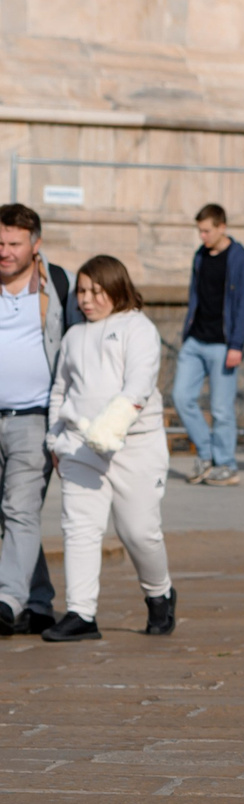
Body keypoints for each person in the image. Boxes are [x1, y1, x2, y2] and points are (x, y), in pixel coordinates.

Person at [42, 257, 173, 642]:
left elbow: (139, 385)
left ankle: (159, 592)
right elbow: (60, 391)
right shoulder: (73, 337)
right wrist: (55, 439)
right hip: (81, 448)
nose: (86, 300)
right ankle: (81, 613)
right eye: (81, 291)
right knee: (79, 528)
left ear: (117, 289)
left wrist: (108, 429)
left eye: (96, 292)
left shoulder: (138, 328)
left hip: (136, 445)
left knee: (139, 532)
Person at [0, 206, 79, 635]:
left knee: (20, 508)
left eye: (14, 243)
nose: (5, 252)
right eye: (0, 243)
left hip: (33, 420)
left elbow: (81, 352)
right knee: (8, 515)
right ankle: (39, 601)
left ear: (35, 244)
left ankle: (7, 599)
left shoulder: (58, 287)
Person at [175, 204, 244, 486]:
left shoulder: (238, 258)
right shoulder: (201, 256)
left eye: (207, 230)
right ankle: (207, 455)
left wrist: (237, 344)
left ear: (222, 227)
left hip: (223, 344)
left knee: (221, 409)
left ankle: (226, 465)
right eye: (200, 231)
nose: (203, 236)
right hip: (195, 340)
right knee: (181, 397)